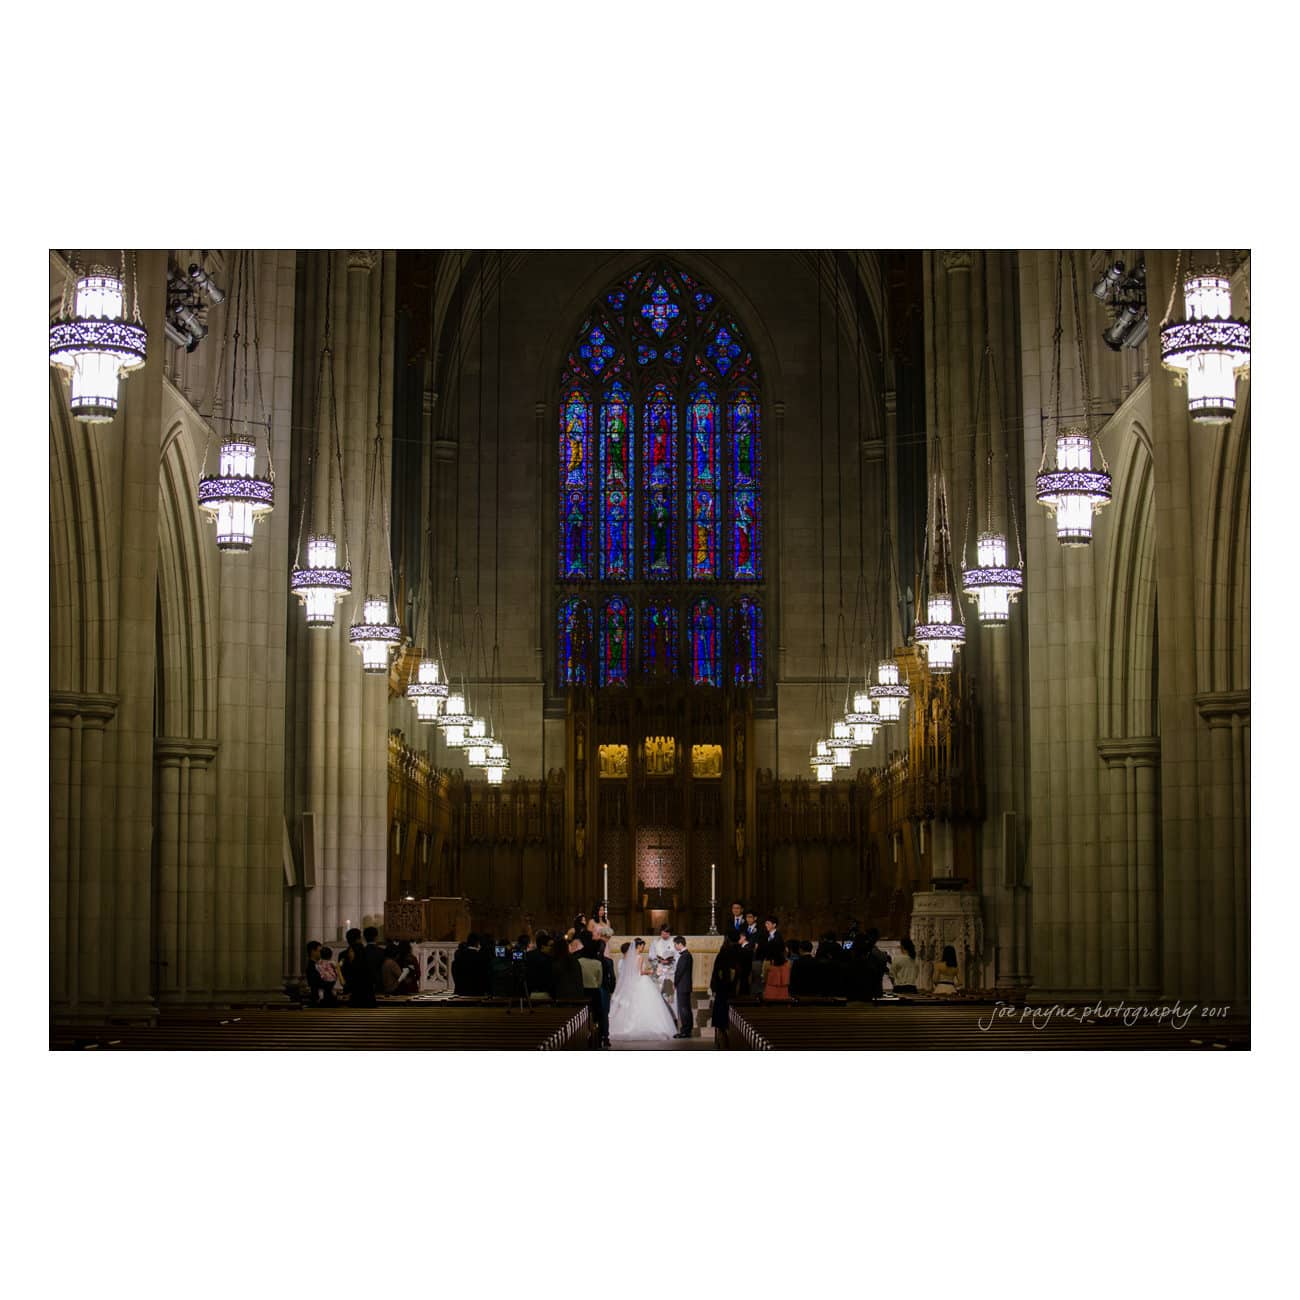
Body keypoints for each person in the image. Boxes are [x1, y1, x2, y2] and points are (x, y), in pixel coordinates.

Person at [608, 939, 677, 1042]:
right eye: (642, 946)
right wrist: (650, 971)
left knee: (634, 1005)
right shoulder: (639, 957)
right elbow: (640, 972)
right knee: (647, 1004)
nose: (643, 948)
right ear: (639, 946)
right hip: (641, 982)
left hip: (633, 983)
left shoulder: (629, 958)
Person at [709, 941, 742, 1048]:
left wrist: (714, 987)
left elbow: (716, 974)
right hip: (730, 993)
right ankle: (727, 1042)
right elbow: (737, 975)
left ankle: (722, 1043)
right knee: (727, 1021)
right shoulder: (734, 959)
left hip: (722, 993)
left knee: (721, 1021)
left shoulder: (721, 957)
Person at [341, 928, 376, 1006]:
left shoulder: (343, 954)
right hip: (367, 992)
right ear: (359, 938)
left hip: (352, 992)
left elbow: (343, 974)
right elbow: (371, 972)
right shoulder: (367, 952)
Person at [672, 936, 694, 1038]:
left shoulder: (685, 956)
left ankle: (685, 1031)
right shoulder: (686, 955)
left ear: (680, 944)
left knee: (684, 1009)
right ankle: (687, 1030)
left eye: (675, 944)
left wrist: (674, 983)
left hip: (683, 986)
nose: (675, 946)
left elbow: (679, 972)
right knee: (686, 1008)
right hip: (685, 985)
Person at [524, 929, 555, 1001]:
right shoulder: (548, 960)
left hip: (529, 993)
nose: (553, 948)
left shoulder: (528, 955)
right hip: (544, 994)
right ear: (543, 946)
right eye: (551, 946)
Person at [649, 924, 677, 1001]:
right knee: (659, 992)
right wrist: (659, 960)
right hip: (659, 969)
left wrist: (671, 960)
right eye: (663, 933)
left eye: (666, 934)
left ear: (670, 933)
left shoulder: (674, 941)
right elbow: (651, 956)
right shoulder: (655, 942)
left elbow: (678, 956)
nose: (664, 935)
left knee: (669, 993)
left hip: (671, 970)